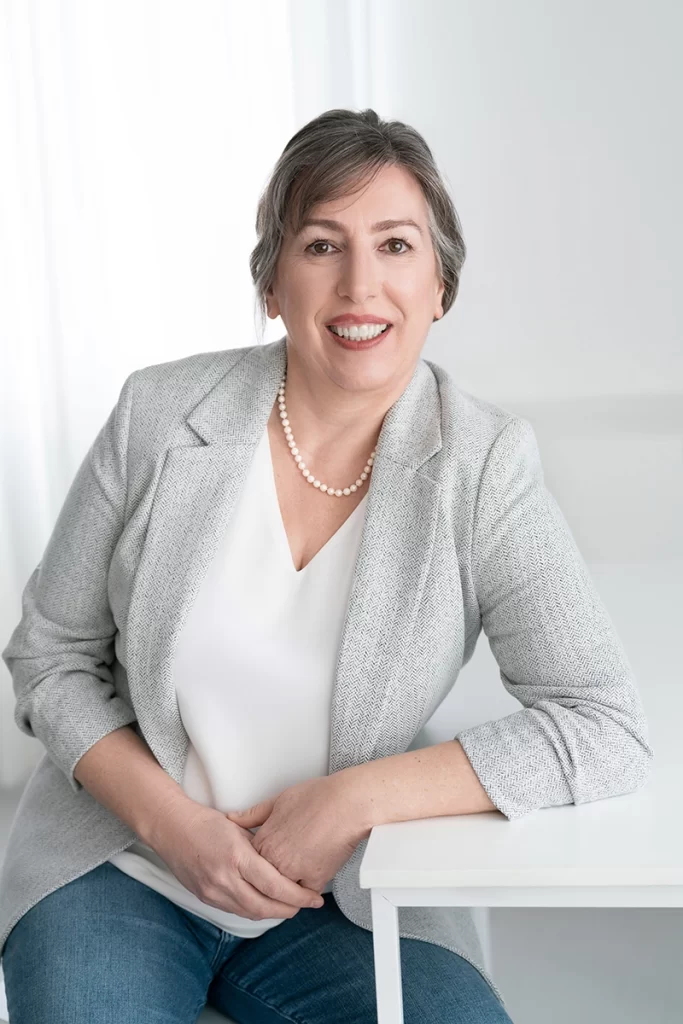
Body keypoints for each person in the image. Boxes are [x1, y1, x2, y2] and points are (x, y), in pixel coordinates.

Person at [0, 107, 652, 1023]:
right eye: (320, 245)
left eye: (395, 245)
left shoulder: (482, 466)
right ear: (271, 281)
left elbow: (601, 724)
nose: (360, 285)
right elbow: (50, 655)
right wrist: (173, 827)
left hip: (339, 892)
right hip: (124, 864)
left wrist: (348, 801)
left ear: (440, 286)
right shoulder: (158, 415)